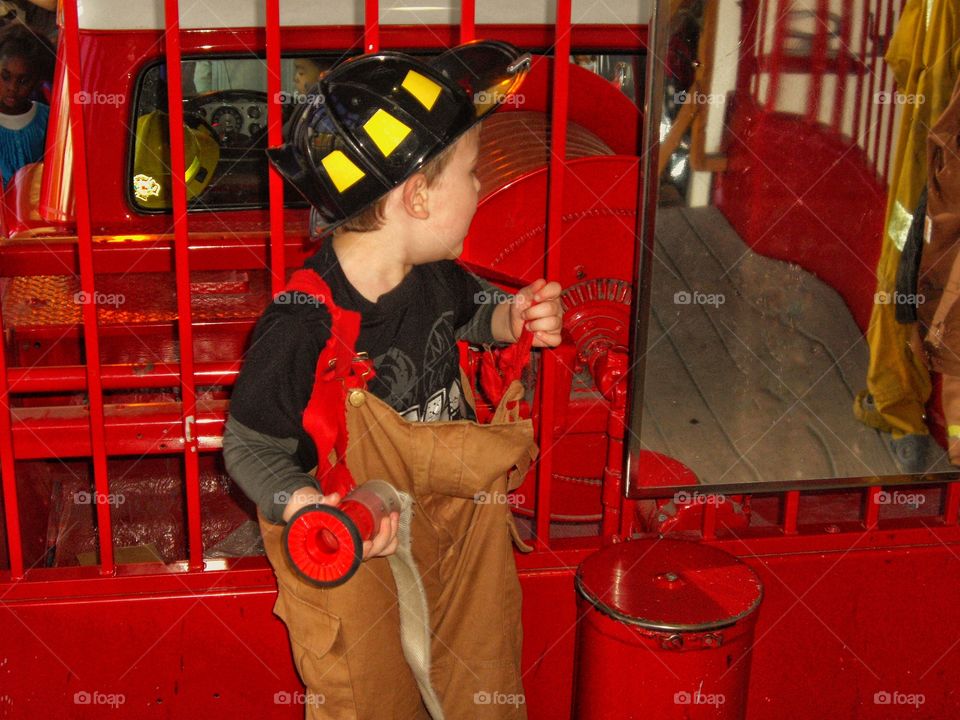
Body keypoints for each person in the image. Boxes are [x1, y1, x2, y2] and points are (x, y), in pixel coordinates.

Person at [223, 41, 561, 719]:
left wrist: (514, 316)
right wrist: (302, 504)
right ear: (416, 196)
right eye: (470, 172)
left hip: (452, 533)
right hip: (355, 549)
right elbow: (247, 448)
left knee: (478, 689)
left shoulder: (432, 275)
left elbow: (475, 317)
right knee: (371, 700)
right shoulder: (301, 324)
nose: (480, 189)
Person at [0, 22, 50, 185]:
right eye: (5, 77)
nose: (12, 88)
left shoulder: (47, 118)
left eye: (23, 81)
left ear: (37, 80)